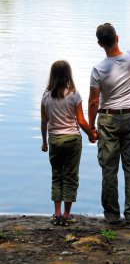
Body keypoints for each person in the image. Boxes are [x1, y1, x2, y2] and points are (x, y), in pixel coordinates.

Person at [88, 23, 130, 224]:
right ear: (117, 38)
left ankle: (112, 216)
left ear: (100, 44)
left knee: (109, 169)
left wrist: (91, 127)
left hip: (108, 120)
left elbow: (93, 101)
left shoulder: (98, 69)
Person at [41, 60, 97, 226]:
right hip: (72, 140)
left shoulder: (45, 96)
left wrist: (45, 142)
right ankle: (67, 215)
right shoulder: (74, 95)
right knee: (70, 177)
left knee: (57, 175)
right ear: (68, 75)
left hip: (54, 140)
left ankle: (56, 214)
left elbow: (44, 122)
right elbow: (80, 120)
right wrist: (91, 134)